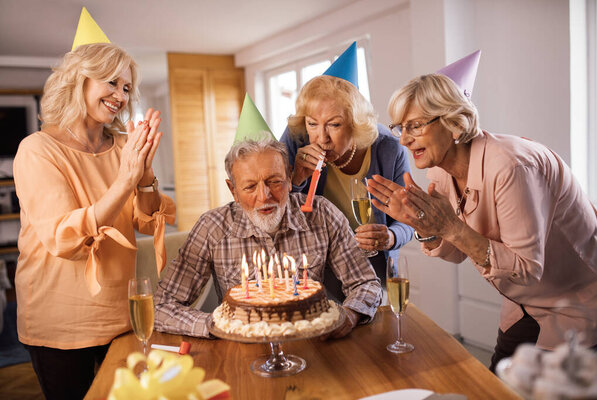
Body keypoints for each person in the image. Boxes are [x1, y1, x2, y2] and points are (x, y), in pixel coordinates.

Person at [367, 72, 597, 373]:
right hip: (523, 303)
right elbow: (456, 251)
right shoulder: (440, 171)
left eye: (415, 125)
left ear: (452, 122)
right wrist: (425, 226)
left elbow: (528, 269)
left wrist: (450, 226)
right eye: (400, 127)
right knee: (494, 389)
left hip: (578, 302)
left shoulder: (510, 167)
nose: (404, 138)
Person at [13, 41, 176, 399]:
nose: (121, 95)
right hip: (60, 320)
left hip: (121, 314)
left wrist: (145, 175)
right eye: (111, 82)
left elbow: (148, 221)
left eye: (127, 87)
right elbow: (65, 240)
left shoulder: (123, 147)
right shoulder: (38, 149)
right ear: (79, 80)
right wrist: (125, 179)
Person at [154, 139, 382, 339]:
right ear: (233, 190)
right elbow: (161, 306)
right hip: (243, 354)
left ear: (289, 178)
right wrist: (216, 326)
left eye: (274, 181)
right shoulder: (213, 228)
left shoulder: (321, 215)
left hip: (312, 347)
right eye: (250, 186)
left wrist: (350, 316)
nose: (264, 196)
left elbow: (365, 283)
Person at [280, 73, 413, 300]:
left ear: (355, 125)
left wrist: (390, 236)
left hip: (374, 270)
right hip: (315, 270)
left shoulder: (388, 149)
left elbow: (408, 220)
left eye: (334, 124)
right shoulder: (297, 142)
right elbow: (278, 213)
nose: (322, 138)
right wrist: (297, 181)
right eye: (312, 124)